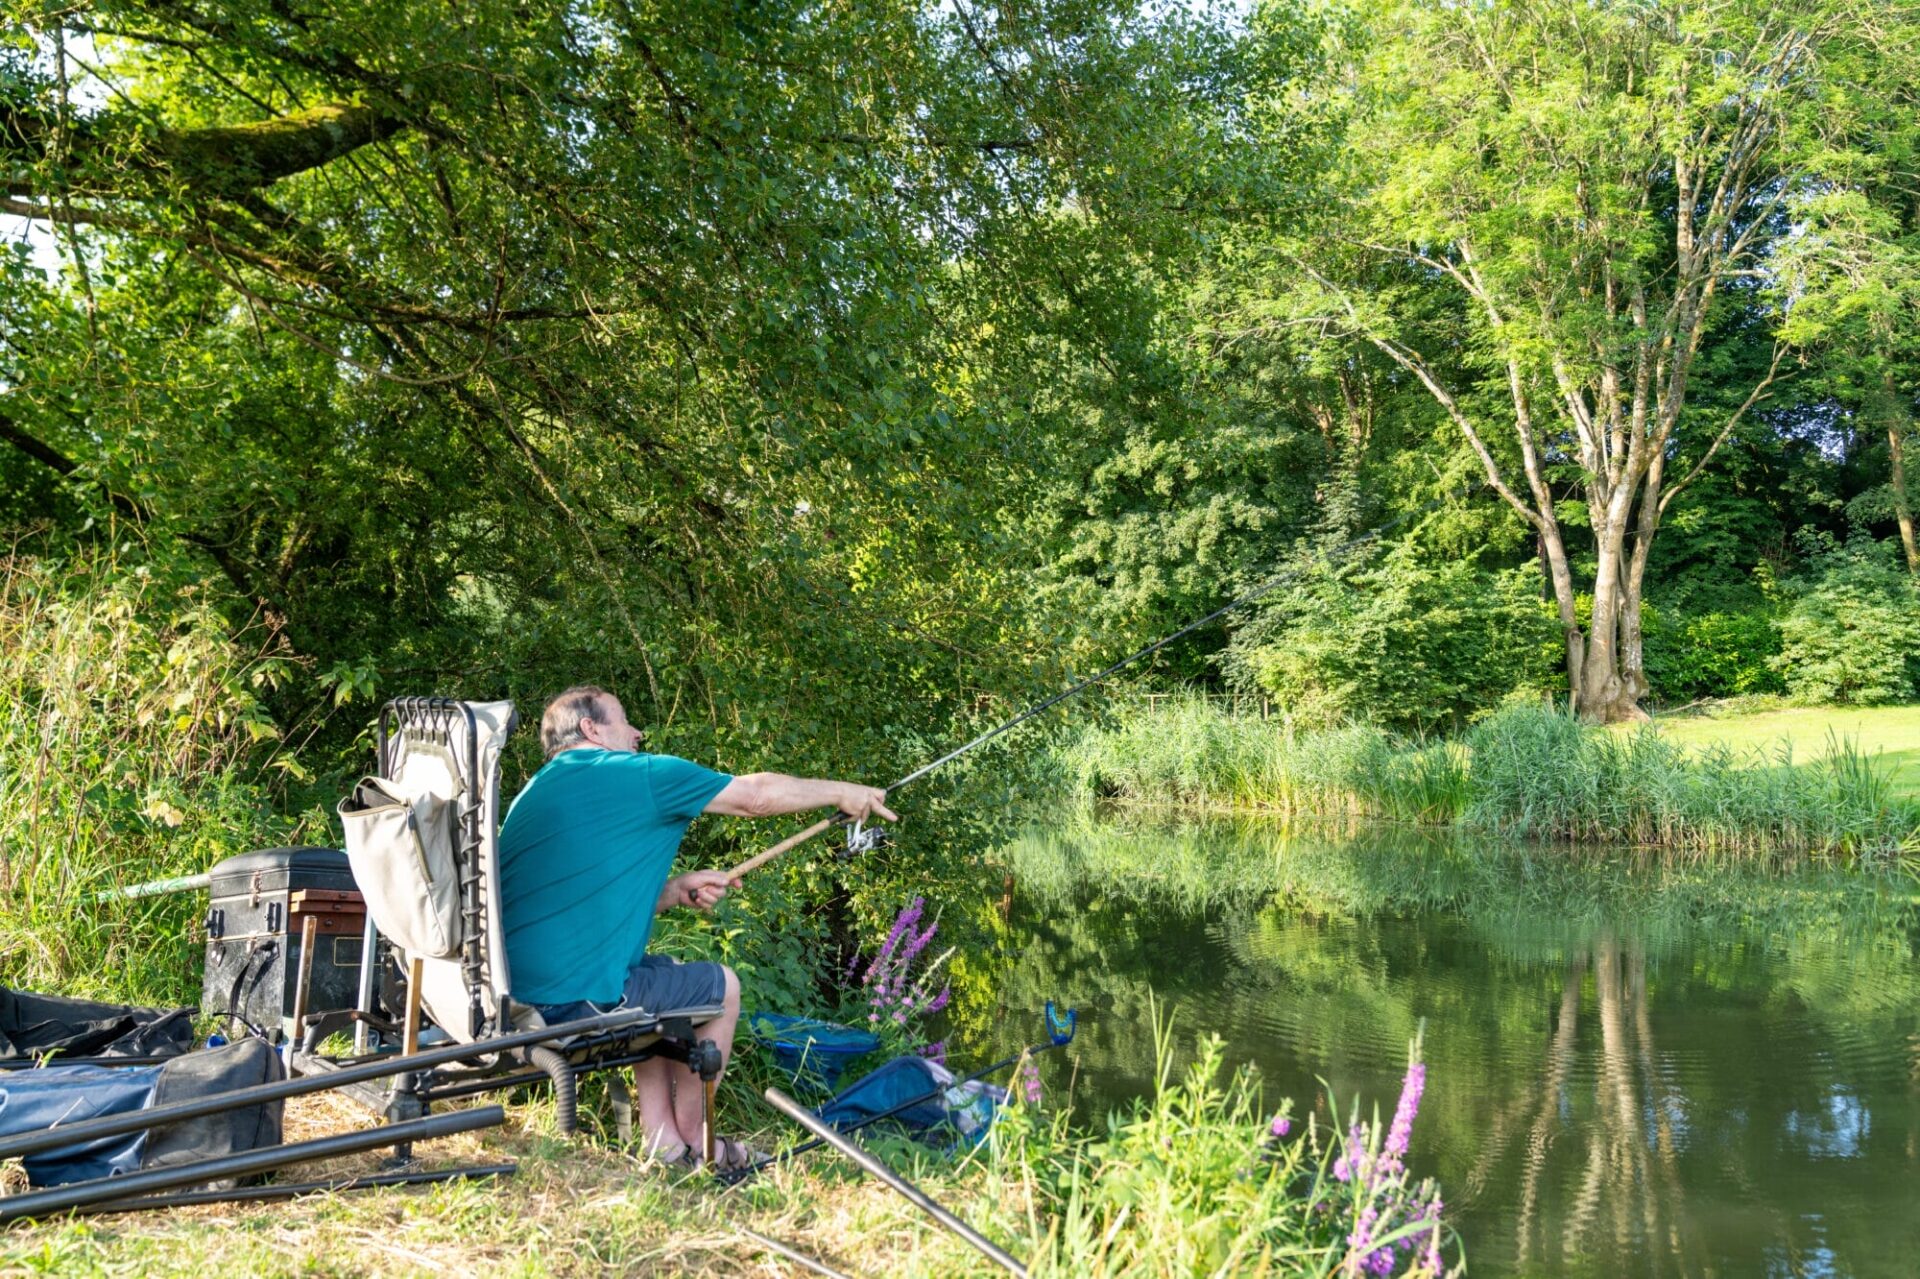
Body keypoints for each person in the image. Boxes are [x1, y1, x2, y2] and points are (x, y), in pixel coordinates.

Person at [497, 684, 896, 1169]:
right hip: (569, 1002)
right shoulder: (636, 776)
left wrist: (671, 891)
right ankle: (698, 1139)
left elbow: (572, 896)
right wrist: (843, 792)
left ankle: (662, 1141)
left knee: (663, 980)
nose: (637, 733)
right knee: (721, 988)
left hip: (518, 997)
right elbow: (756, 797)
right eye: (624, 720)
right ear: (591, 728)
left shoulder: (536, 791)